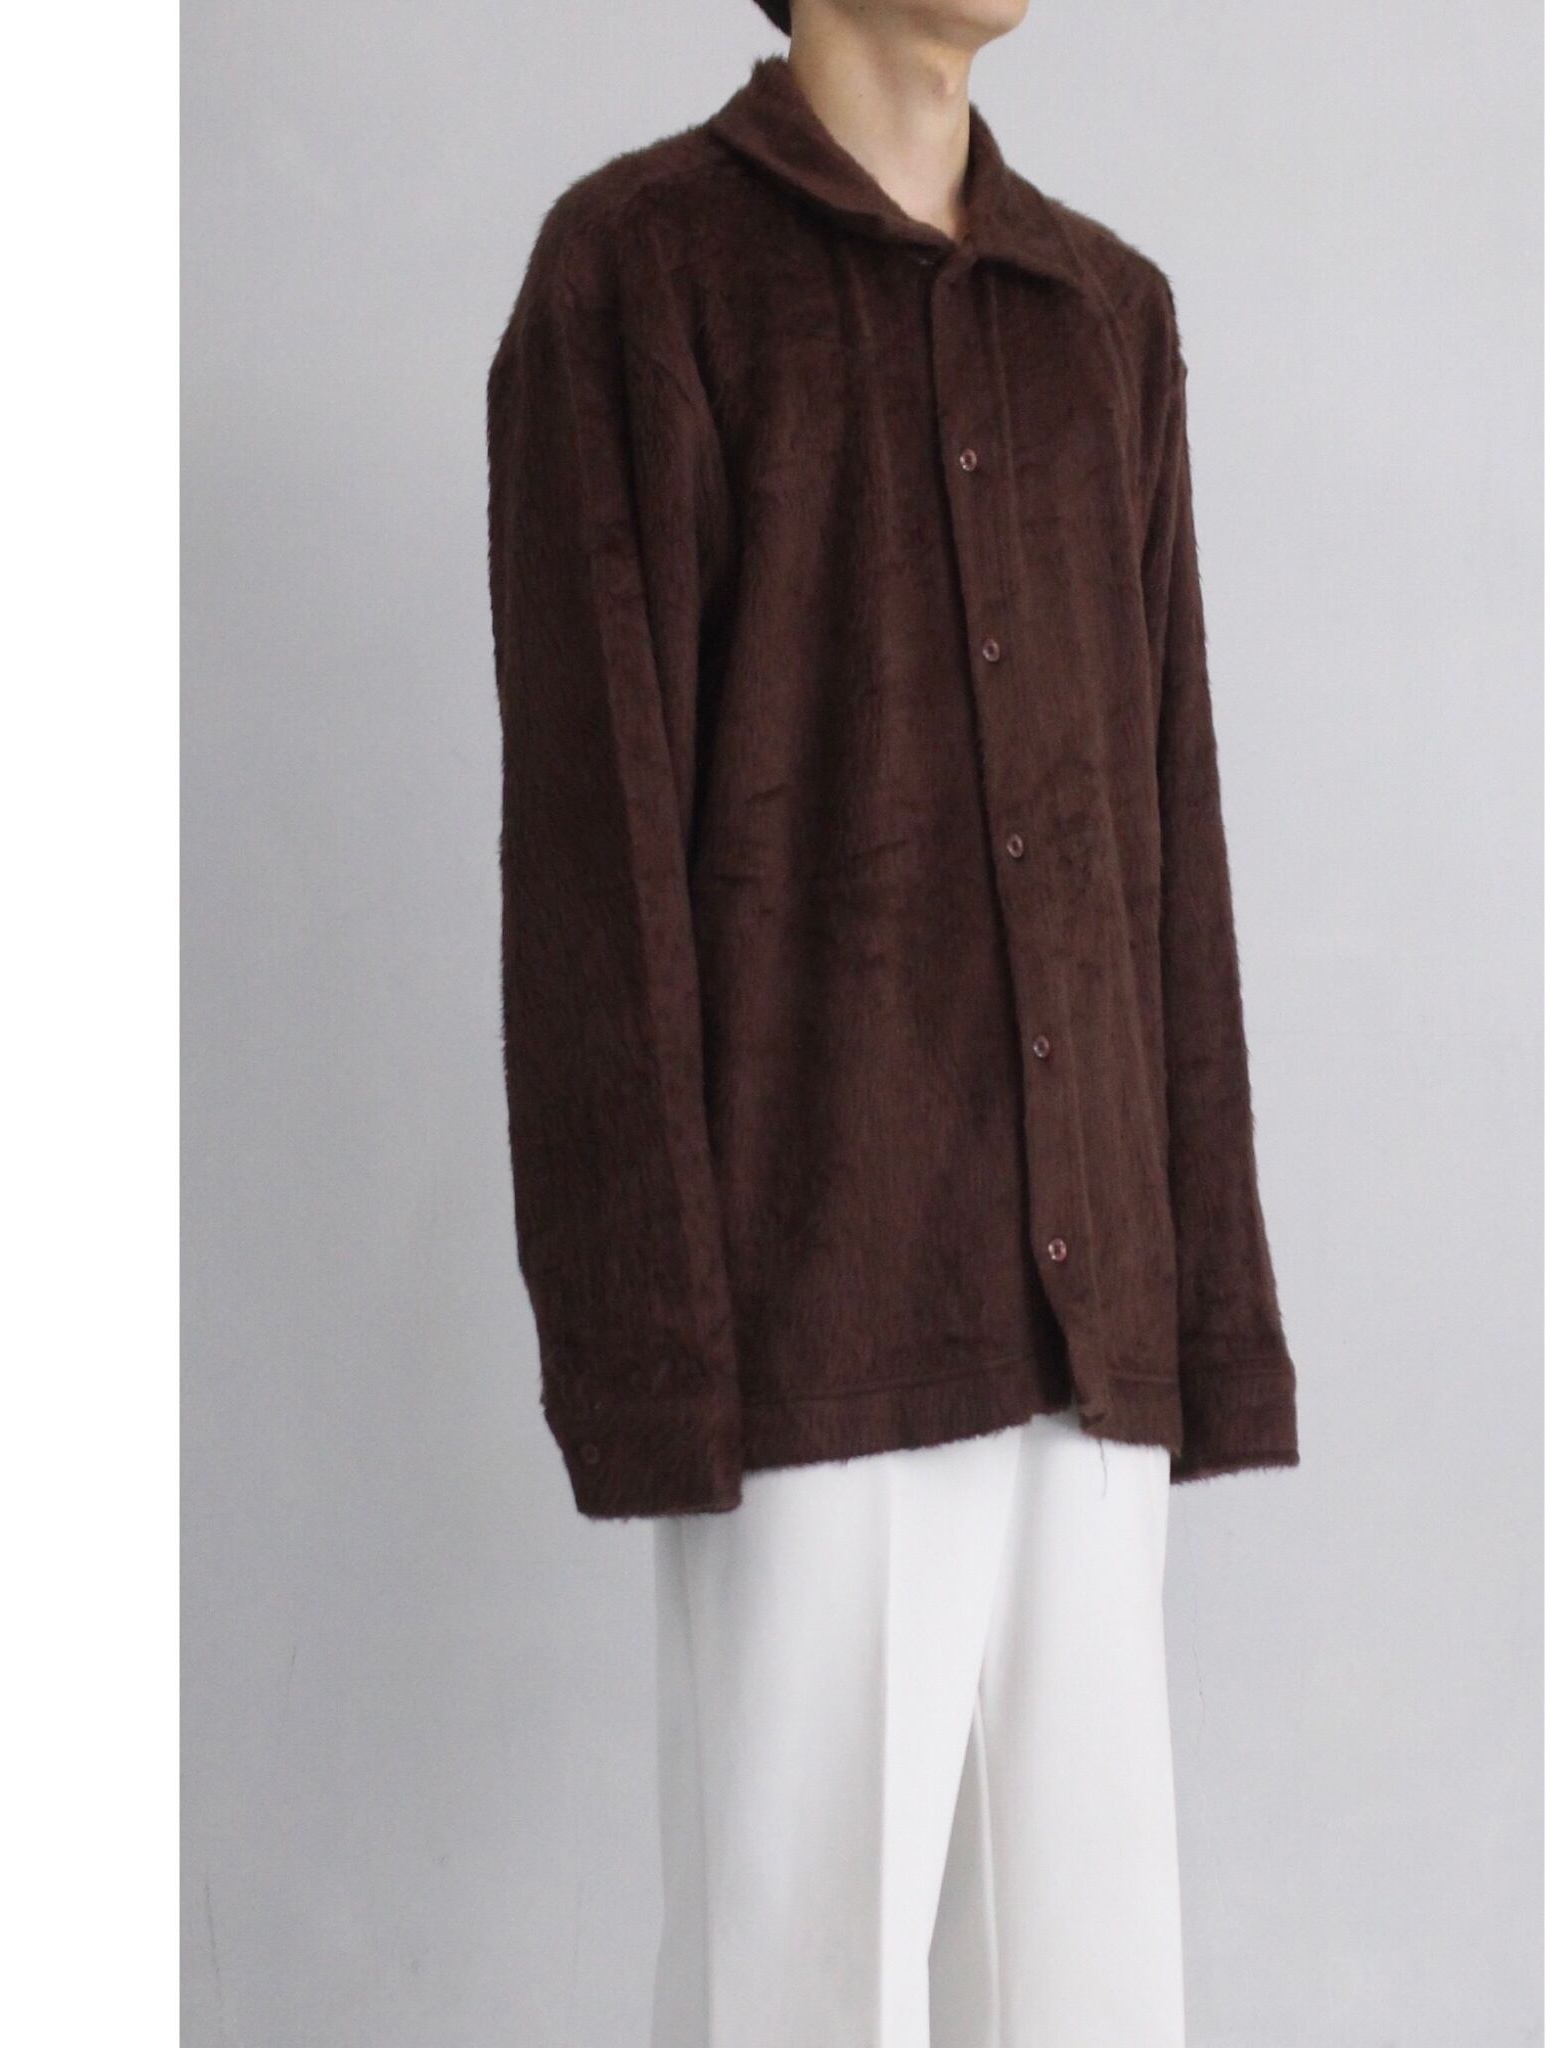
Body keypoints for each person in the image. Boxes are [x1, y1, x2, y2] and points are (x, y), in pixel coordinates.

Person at [485, 3, 1300, 2041]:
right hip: (810, 1324)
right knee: (799, 1991)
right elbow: (594, 868)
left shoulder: (1106, 316)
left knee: (1094, 1999)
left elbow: (1169, 837)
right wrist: (656, 1361)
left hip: (1086, 1336)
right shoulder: (637, 275)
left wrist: (1197, 1313)